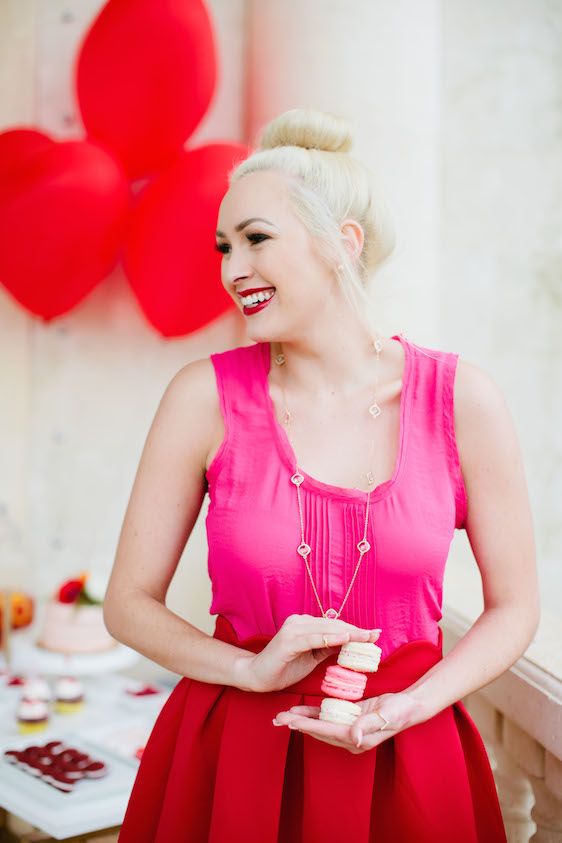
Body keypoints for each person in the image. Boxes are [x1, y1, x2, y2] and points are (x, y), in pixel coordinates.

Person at [107, 108, 539, 842]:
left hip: (411, 755)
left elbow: (515, 607)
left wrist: (410, 706)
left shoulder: (464, 400)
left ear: (344, 244)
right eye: (223, 247)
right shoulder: (200, 398)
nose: (232, 269)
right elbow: (127, 603)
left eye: (255, 240)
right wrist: (247, 672)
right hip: (236, 757)